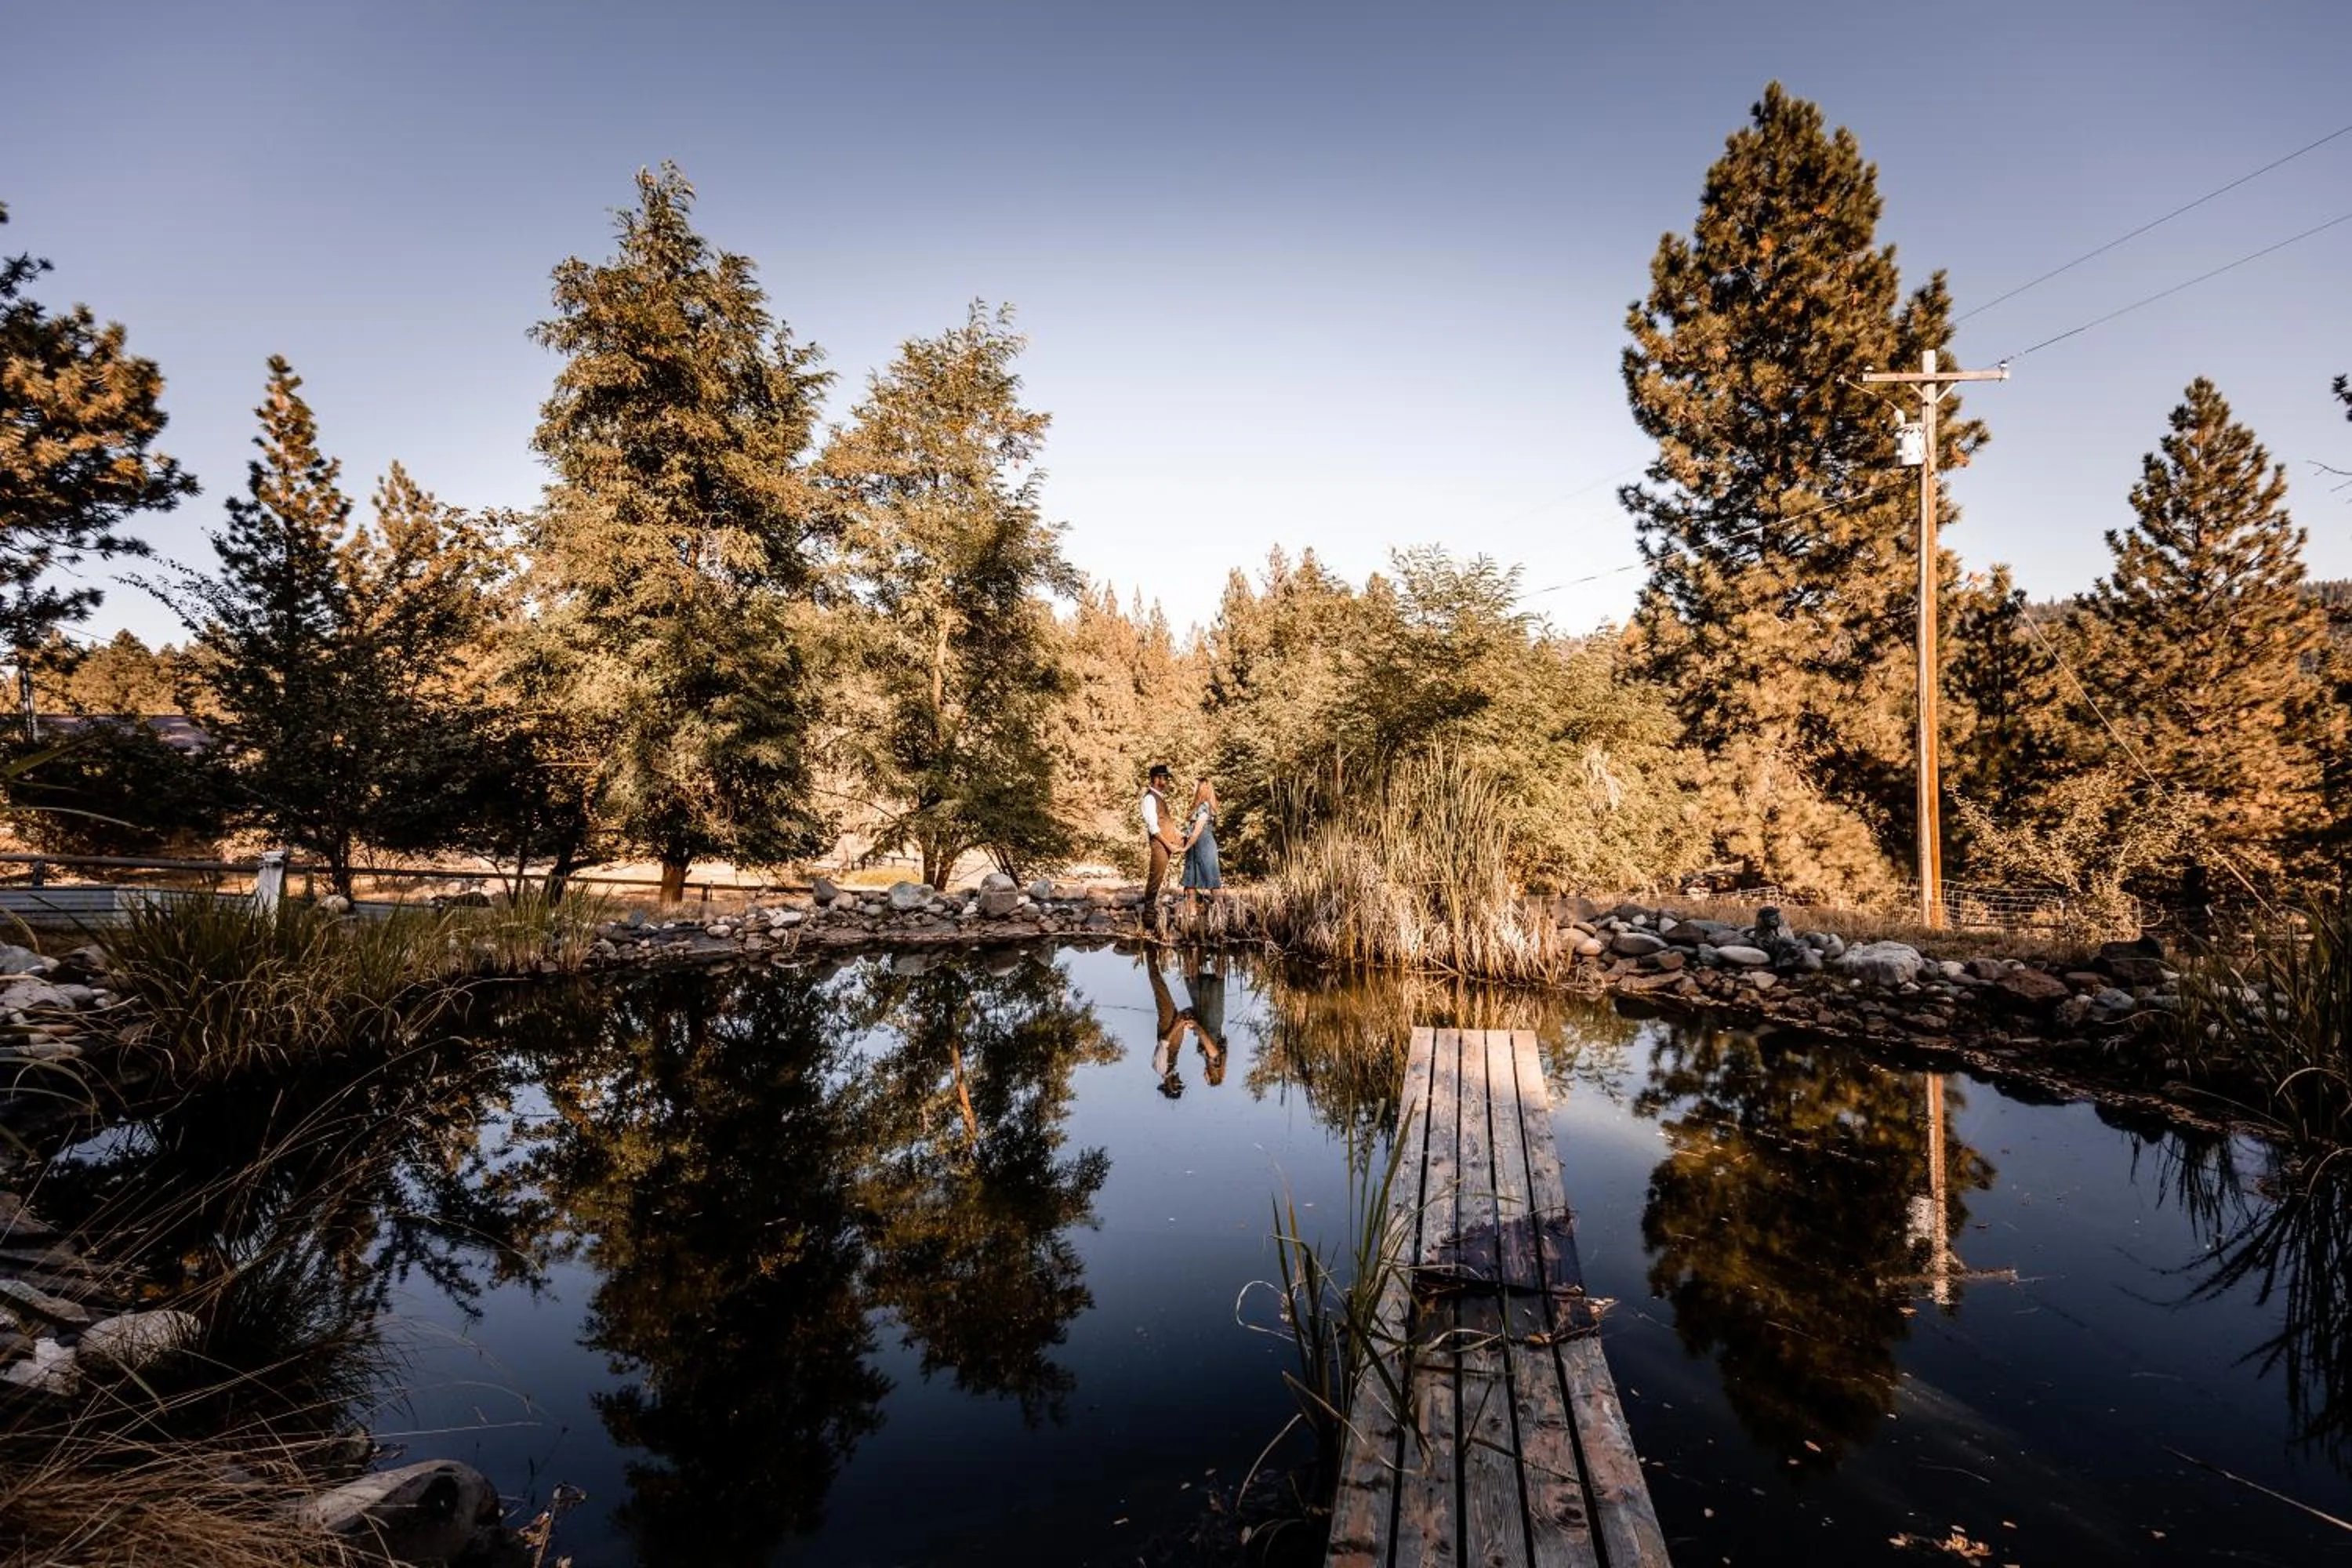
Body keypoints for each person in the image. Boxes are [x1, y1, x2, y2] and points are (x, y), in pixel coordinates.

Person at [1140, 763, 1184, 931]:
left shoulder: (1160, 798)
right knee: (1155, 878)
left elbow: (1166, 823)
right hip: (1160, 844)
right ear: (1156, 779)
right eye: (1164, 778)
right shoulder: (1150, 798)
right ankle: (1148, 915)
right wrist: (1169, 845)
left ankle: (1192, 899)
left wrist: (1180, 837)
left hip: (1168, 842)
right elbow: (1153, 827)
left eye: (1166, 778)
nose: (1166, 781)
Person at [1179, 776, 1222, 914]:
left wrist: (1185, 847)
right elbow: (1191, 831)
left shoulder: (1205, 807)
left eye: (1195, 786)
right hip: (1194, 845)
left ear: (1201, 789)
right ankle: (1192, 915)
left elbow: (1197, 831)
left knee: (1212, 879)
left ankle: (1221, 914)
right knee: (1190, 880)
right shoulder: (1197, 807)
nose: (1193, 789)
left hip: (1204, 845)